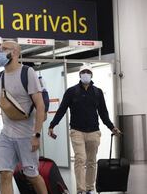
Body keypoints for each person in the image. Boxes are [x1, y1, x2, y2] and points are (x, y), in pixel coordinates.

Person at [48, 65, 121, 194]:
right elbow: (62, 110)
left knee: (92, 161)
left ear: (91, 75)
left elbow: (103, 113)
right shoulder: (71, 92)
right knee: (80, 159)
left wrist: (112, 127)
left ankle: (89, 188)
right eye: (83, 72)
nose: (85, 74)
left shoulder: (97, 92)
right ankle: (81, 190)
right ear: (79, 74)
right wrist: (52, 125)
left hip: (93, 132)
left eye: (88, 72)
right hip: (77, 131)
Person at [0, 41, 47, 194]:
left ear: (16, 52)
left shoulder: (27, 72)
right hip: (6, 135)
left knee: (32, 176)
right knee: (5, 174)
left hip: (26, 135)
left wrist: (36, 135)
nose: (0, 52)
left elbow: (40, 105)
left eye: (4, 49)